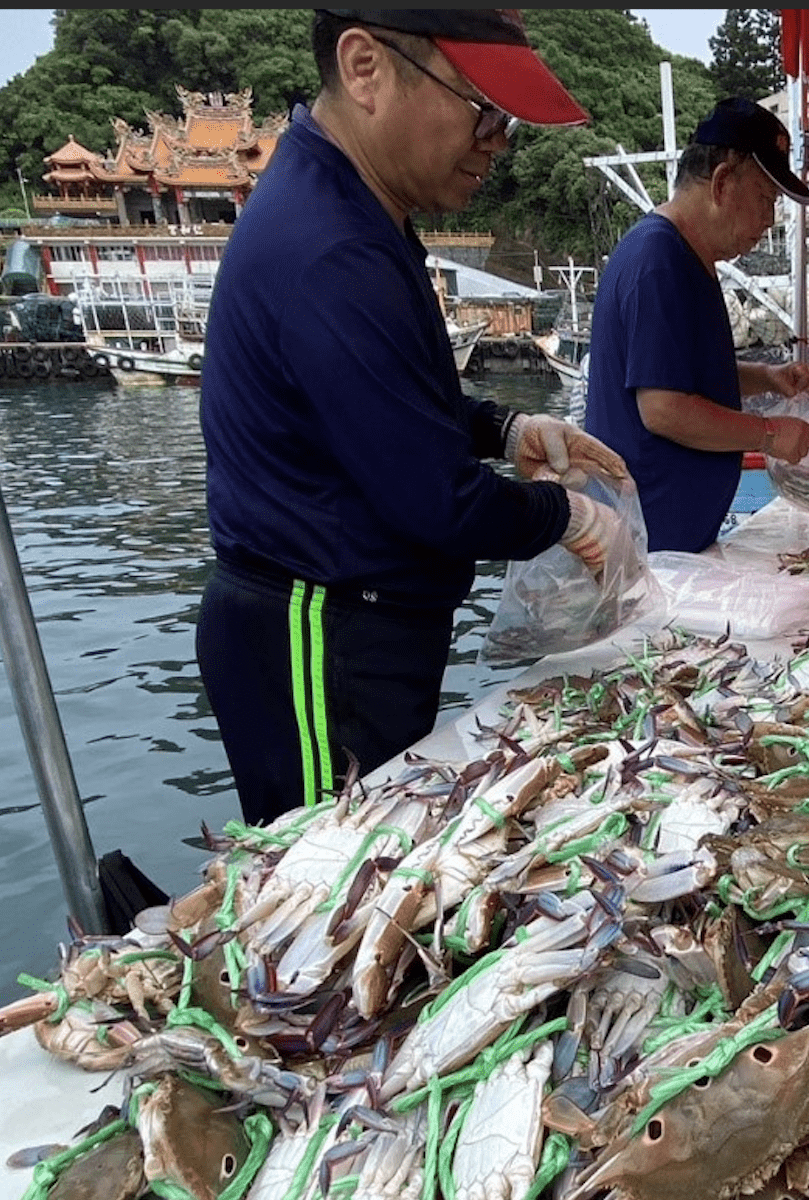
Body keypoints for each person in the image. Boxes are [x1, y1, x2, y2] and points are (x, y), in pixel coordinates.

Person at [197, 10, 630, 825]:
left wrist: (502, 427)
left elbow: (384, 406)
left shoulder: (358, 209)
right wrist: (569, 517)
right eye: (481, 107)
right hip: (316, 638)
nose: (496, 139)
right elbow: (438, 503)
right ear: (365, 68)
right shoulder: (331, 246)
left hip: (359, 630)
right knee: (336, 874)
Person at [584, 97, 809, 553]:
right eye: (765, 198)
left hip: (677, 540)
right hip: (649, 546)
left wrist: (767, 377)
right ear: (721, 182)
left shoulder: (691, 258)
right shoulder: (658, 260)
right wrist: (769, 434)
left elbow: (684, 373)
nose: (769, 220)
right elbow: (665, 408)